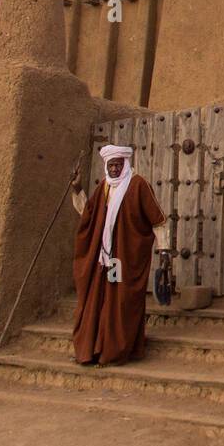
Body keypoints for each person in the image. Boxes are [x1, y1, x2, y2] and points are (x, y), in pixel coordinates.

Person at [69, 144, 168, 365]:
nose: (114, 169)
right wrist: (77, 189)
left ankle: (115, 350)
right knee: (100, 300)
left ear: (125, 164)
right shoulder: (104, 187)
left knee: (119, 301)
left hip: (121, 260)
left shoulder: (137, 185)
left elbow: (158, 221)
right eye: (110, 165)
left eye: (117, 165)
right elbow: (89, 215)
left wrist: (164, 251)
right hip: (104, 259)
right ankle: (94, 348)